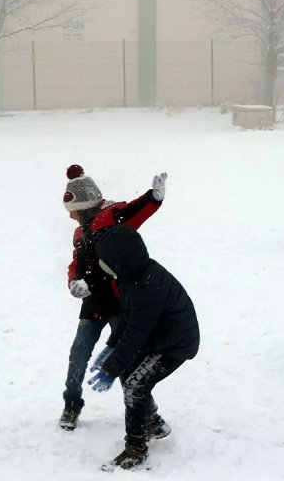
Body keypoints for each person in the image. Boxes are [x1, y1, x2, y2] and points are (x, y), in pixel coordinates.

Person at [58, 164, 167, 431]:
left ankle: (148, 415)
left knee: (127, 360)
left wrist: (154, 197)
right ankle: (71, 403)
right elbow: (76, 262)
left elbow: (137, 210)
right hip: (93, 305)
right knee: (79, 353)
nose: (70, 216)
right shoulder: (80, 232)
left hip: (121, 303)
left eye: (73, 210)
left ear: (84, 206)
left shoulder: (112, 216)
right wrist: (74, 281)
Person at [86, 225, 199, 472]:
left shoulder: (146, 287)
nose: (104, 267)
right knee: (130, 374)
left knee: (135, 386)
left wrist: (112, 366)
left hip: (176, 344)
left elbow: (136, 334)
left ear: (120, 260)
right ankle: (153, 423)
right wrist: (111, 348)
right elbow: (129, 319)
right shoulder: (134, 276)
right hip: (158, 336)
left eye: (106, 261)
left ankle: (136, 451)